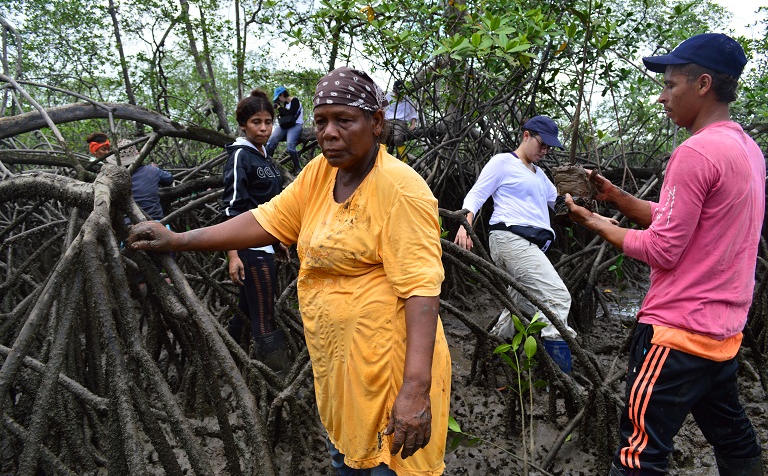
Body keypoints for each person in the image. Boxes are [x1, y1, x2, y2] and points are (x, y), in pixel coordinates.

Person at [127, 66, 451, 476]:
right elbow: (264, 219)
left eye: (344, 120)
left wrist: (415, 392)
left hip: (392, 376)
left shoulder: (401, 189)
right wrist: (178, 239)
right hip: (340, 373)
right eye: (321, 121)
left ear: (376, 122)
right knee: (347, 459)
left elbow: (422, 290)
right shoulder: (319, 173)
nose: (328, 133)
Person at [564, 33, 765, 475]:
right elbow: (686, 221)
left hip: (675, 336)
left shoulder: (694, 152)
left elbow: (664, 248)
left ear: (703, 84)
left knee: (640, 455)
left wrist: (597, 224)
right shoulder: (747, 151)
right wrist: (618, 199)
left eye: (670, 85)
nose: (661, 97)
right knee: (734, 438)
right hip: (722, 338)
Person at [454, 115, 577, 373]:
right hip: (511, 239)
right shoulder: (503, 162)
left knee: (520, 306)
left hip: (528, 245)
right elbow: (477, 193)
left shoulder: (540, 175)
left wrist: (600, 215)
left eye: (549, 148)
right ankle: (561, 381)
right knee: (557, 298)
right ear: (526, 135)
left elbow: (563, 205)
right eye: (542, 144)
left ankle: (491, 357)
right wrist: (465, 224)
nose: (545, 151)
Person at [221, 89, 287, 371]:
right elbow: (231, 209)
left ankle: (223, 360)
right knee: (263, 315)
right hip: (250, 248)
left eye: (268, 122)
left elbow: (270, 206)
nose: (263, 128)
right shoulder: (239, 157)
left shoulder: (264, 156)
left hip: (265, 243)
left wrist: (278, 239)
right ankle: (279, 378)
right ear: (243, 125)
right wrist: (233, 255)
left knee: (247, 309)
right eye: (256, 122)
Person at [110, 139, 174, 221]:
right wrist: (155, 169)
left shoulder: (113, 178)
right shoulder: (152, 170)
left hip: (127, 225)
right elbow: (169, 179)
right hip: (156, 223)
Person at [265, 85, 304, 173]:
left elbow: (291, 114)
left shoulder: (295, 101)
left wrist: (279, 108)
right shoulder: (285, 104)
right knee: (272, 140)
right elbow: (284, 116)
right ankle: (267, 162)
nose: (279, 100)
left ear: (282, 94)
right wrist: (279, 109)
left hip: (296, 125)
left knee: (290, 146)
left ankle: (297, 168)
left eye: (279, 98)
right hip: (286, 125)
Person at [383, 80, 418, 161]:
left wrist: (413, 125)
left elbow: (413, 112)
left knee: (398, 138)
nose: (397, 94)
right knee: (383, 136)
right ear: (393, 90)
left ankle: (404, 161)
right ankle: (383, 159)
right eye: (395, 92)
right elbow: (382, 109)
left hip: (401, 122)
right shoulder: (388, 96)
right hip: (388, 121)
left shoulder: (407, 99)